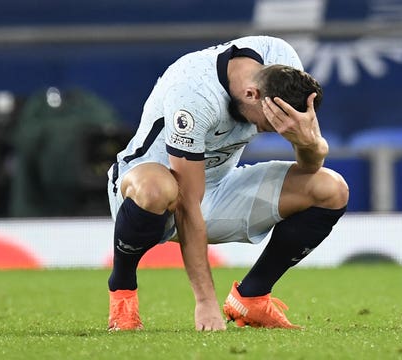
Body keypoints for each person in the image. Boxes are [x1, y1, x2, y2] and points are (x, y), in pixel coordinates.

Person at [106, 35, 349, 331]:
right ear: (251, 94)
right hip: (152, 188)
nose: (273, 131)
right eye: (271, 123)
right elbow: (187, 203)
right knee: (161, 189)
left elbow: (310, 164)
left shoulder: (282, 63)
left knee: (331, 189)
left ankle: (253, 298)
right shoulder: (194, 93)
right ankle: (122, 290)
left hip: (220, 186)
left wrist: (314, 146)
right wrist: (205, 303)